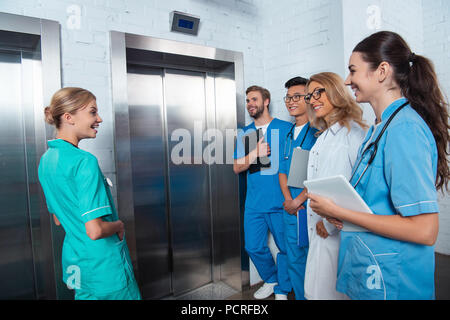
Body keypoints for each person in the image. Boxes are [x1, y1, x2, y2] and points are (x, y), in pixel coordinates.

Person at [307, 31, 449, 300]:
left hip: (395, 281)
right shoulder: (381, 128)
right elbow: (378, 203)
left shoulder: (405, 129)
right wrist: (343, 214)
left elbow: (425, 230)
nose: (348, 81)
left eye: (353, 71)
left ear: (382, 71)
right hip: (373, 271)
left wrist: (339, 210)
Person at [38, 87, 141, 300]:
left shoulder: (46, 161)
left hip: (77, 264)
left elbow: (58, 219)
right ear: (69, 117)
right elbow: (95, 230)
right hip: (104, 267)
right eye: (93, 112)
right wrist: (119, 225)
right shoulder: (84, 162)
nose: (99, 119)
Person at [303, 72, 367, 300]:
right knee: (318, 291)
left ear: (336, 92)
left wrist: (330, 222)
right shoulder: (323, 136)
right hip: (320, 226)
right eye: (309, 95)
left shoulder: (354, 134)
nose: (312, 99)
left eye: (319, 92)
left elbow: (361, 188)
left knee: (333, 292)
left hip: (337, 229)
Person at [233, 85, 292, 300]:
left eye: (254, 99)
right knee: (253, 246)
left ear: (266, 101)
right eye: (247, 101)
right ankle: (271, 278)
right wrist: (255, 153)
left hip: (280, 201)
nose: (250, 104)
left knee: (286, 248)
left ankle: (283, 288)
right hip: (254, 203)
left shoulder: (285, 128)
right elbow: (237, 167)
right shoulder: (245, 133)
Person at [278, 77, 318, 300]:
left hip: (307, 207)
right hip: (291, 208)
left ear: (309, 98)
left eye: (297, 97)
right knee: (294, 258)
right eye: (288, 97)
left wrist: (298, 201)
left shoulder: (316, 132)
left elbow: (318, 173)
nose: (291, 102)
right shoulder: (287, 133)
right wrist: (288, 200)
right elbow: (282, 171)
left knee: (313, 259)